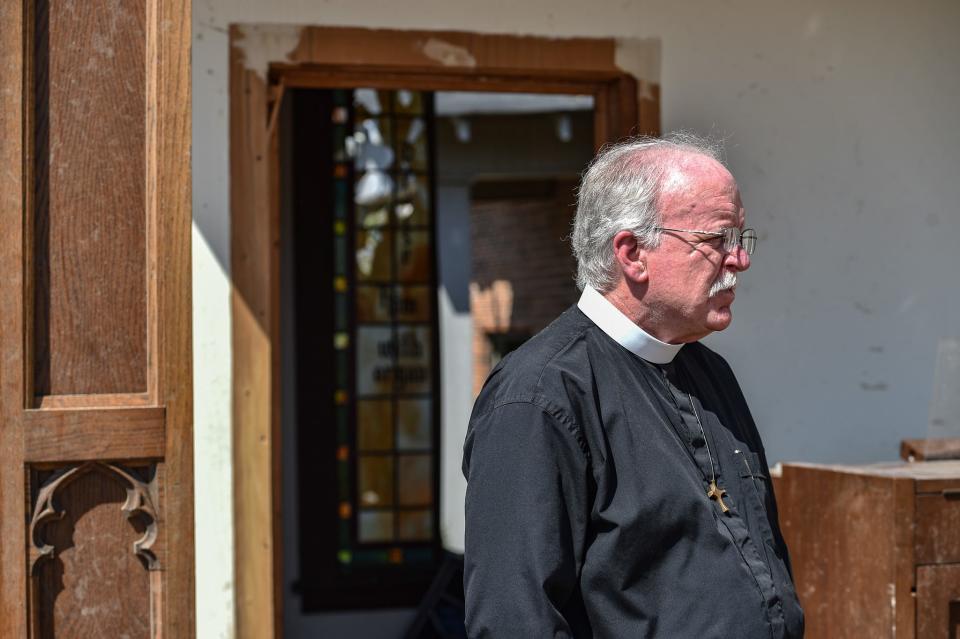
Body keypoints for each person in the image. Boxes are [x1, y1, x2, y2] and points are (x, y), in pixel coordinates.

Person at [462, 133, 804, 638]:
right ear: (632, 253)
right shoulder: (539, 396)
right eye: (715, 241)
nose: (739, 261)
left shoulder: (711, 374)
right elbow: (513, 618)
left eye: (740, 239)